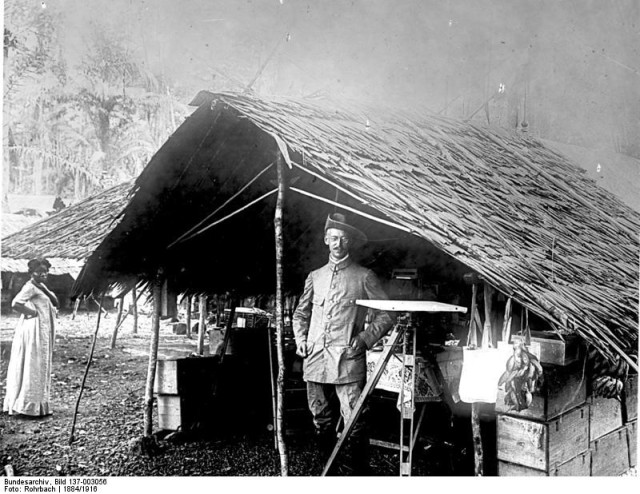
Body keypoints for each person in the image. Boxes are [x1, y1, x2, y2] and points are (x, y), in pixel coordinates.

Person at [292, 213, 394, 475]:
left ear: (349, 243)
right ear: (326, 240)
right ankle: (329, 472)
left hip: (348, 359)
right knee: (320, 419)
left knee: (355, 421)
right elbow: (301, 314)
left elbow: (386, 314)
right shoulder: (315, 276)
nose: (338, 243)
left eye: (343, 239)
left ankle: (358, 475)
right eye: (333, 238)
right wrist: (301, 339)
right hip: (315, 357)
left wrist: (364, 339)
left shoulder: (364, 276)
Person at [3, 258, 59, 417]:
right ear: (31, 273)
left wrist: (44, 289)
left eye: (45, 273)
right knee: (33, 361)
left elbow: (55, 302)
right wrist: (33, 313)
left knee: (41, 362)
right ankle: (27, 405)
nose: (43, 275)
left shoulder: (39, 286)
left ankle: (39, 404)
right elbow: (16, 304)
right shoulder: (29, 287)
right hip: (33, 329)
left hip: (43, 329)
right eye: (39, 273)